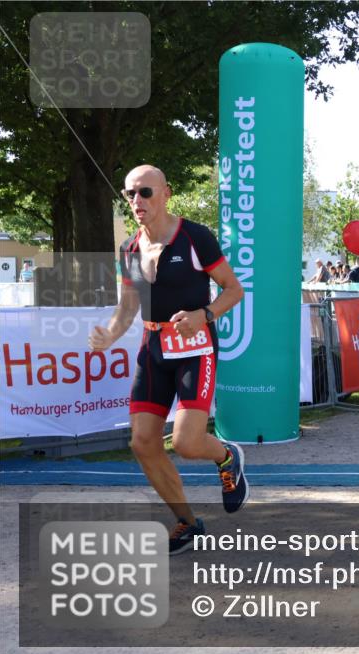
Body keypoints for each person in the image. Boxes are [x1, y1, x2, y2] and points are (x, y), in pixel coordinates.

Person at [89, 165, 247, 555]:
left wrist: (204, 315)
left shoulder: (195, 237)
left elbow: (233, 290)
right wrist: (110, 333)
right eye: (129, 194)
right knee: (142, 442)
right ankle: (187, 523)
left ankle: (228, 458)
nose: (136, 201)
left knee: (187, 442)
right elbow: (127, 308)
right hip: (153, 347)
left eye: (144, 192)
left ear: (166, 193)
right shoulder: (129, 249)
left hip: (195, 349)